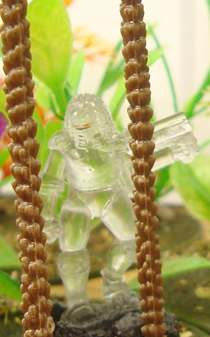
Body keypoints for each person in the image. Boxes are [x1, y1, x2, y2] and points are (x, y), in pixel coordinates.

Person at [42, 94, 197, 320]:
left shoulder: (113, 144)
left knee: (133, 241)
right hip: (78, 202)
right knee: (72, 250)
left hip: (110, 196)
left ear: (100, 123)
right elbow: (50, 182)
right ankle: (76, 301)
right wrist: (46, 216)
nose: (82, 133)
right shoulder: (64, 146)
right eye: (77, 127)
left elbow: (138, 166)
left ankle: (113, 282)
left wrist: (174, 153)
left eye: (87, 126)